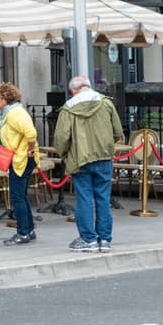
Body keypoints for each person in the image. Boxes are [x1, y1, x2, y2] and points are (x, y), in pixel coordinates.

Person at [51, 73, 123, 253]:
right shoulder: (105, 103)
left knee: (84, 199)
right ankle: (105, 239)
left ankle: (88, 239)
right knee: (103, 198)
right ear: (88, 86)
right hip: (104, 157)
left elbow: (61, 139)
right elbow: (118, 131)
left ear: (74, 89)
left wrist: (64, 154)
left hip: (80, 158)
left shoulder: (68, 108)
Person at [0, 83, 38, 245]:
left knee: (17, 197)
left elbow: (31, 133)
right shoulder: (15, 112)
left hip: (21, 159)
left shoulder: (13, 114)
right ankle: (29, 229)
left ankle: (23, 232)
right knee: (22, 196)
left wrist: (30, 150)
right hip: (23, 157)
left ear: (5, 99)